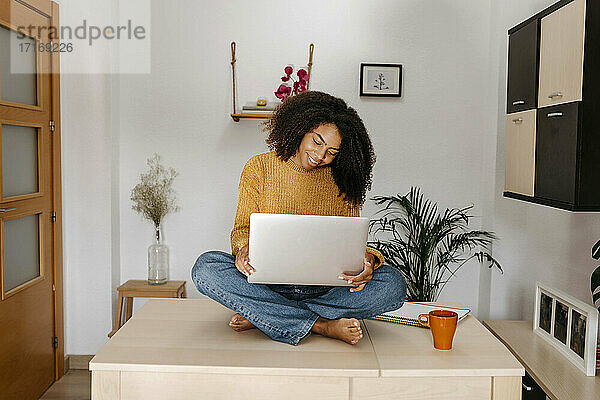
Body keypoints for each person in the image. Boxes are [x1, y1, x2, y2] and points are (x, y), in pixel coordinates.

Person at [191, 91, 406, 345]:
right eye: (317, 141)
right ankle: (321, 325)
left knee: (393, 284)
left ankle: (265, 313)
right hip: (266, 283)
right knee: (206, 267)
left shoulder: (343, 180)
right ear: (302, 128)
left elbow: (351, 242)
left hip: (326, 288)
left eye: (331, 152)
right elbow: (241, 230)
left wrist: (369, 260)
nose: (320, 156)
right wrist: (242, 250)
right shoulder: (259, 167)